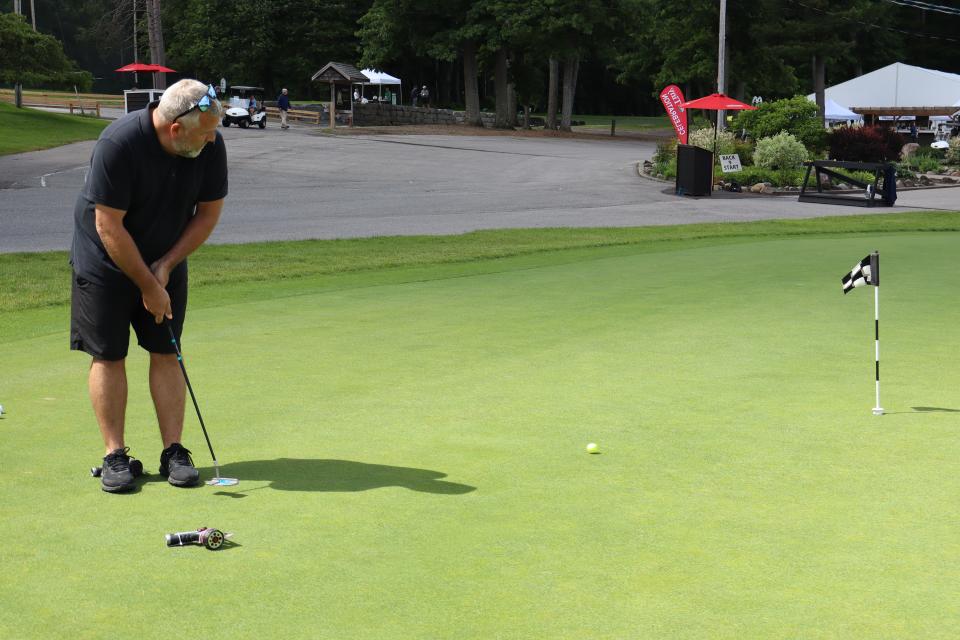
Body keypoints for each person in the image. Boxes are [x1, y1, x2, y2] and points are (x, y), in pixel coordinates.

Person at [70, 79, 228, 493]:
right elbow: (108, 225)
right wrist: (147, 283)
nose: (212, 140)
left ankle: (173, 450)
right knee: (108, 354)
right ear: (176, 128)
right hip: (104, 260)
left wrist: (166, 267)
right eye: (205, 133)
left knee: (166, 350)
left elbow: (207, 214)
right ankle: (114, 455)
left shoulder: (208, 144)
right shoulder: (119, 144)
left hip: (165, 256)